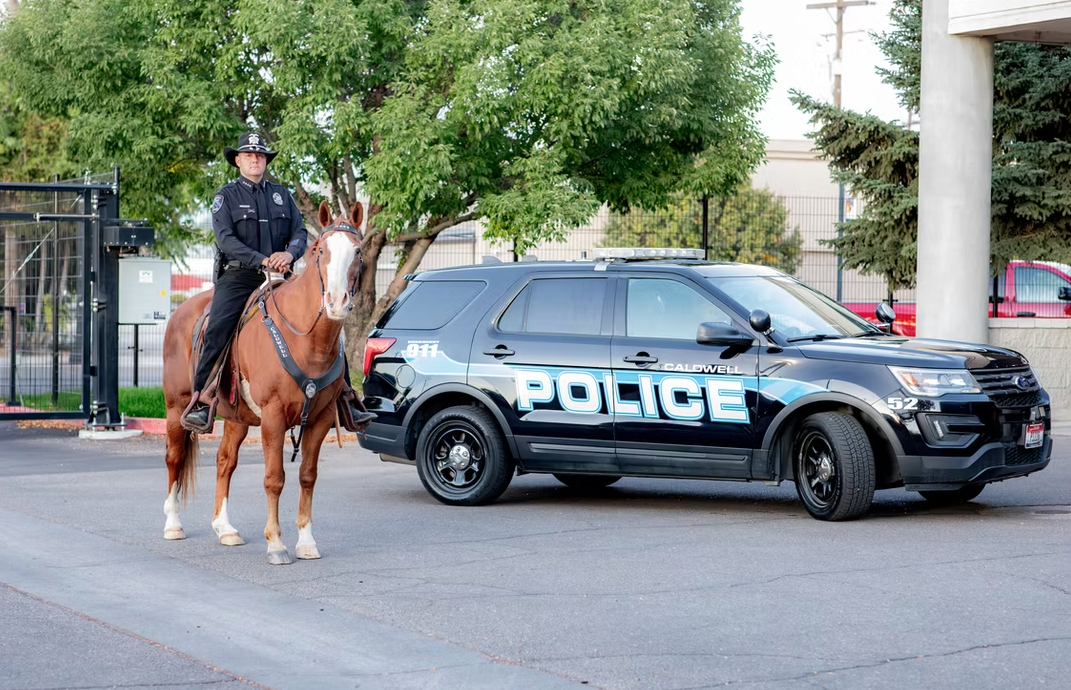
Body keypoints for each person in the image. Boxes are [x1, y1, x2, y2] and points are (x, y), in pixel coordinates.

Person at [181, 132, 376, 432]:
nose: (255, 159)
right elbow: (226, 240)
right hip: (239, 276)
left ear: (265, 161)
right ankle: (203, 398)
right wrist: (261, 259)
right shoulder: (226, 196)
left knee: (327, 323)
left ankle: (346, 397)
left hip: (282, 276)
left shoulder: (281, 195)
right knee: (218, 325)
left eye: (260, 155)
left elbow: (300, 233)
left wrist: (288, 253)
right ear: (238, 160)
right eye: (249, 155)